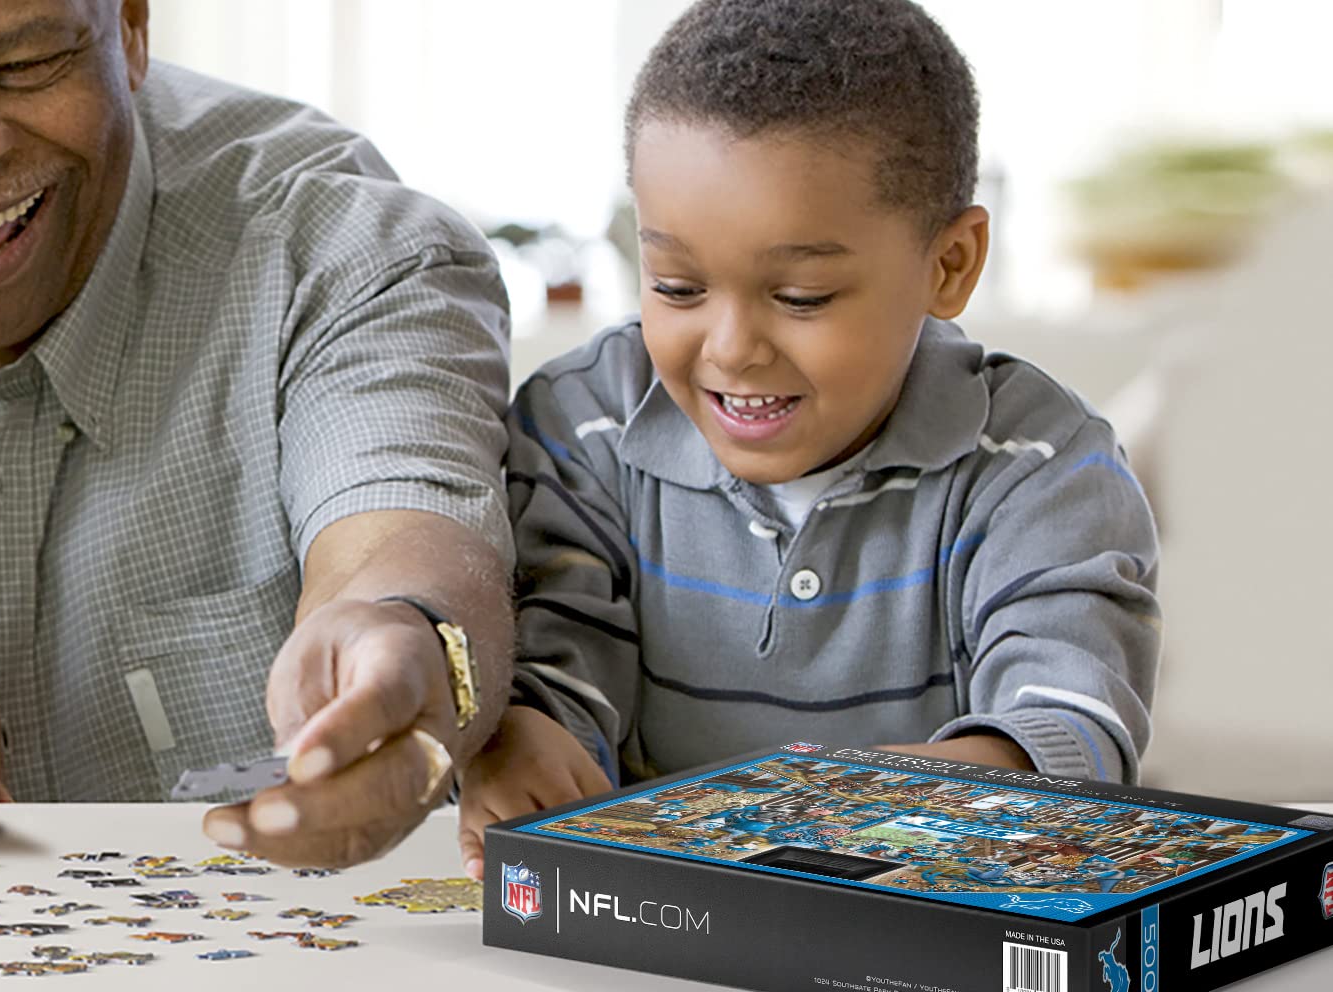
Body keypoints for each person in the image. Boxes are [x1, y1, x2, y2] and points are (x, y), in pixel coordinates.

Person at [0, 0, 516, 869]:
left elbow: (401, 539)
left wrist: (410, 644)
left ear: (129, 23)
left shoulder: (336, 244)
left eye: (25, 67)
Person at [457, 0, 1160, 879]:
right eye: (676, 286)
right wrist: (524, 734)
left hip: (927, 918)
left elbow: (1066, 725)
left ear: (949, 265)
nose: (731, 348)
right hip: (651, 923)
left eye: (801, 298)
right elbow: (561, 653)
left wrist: (841, 813)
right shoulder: (581, 425)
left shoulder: (1040, 465)